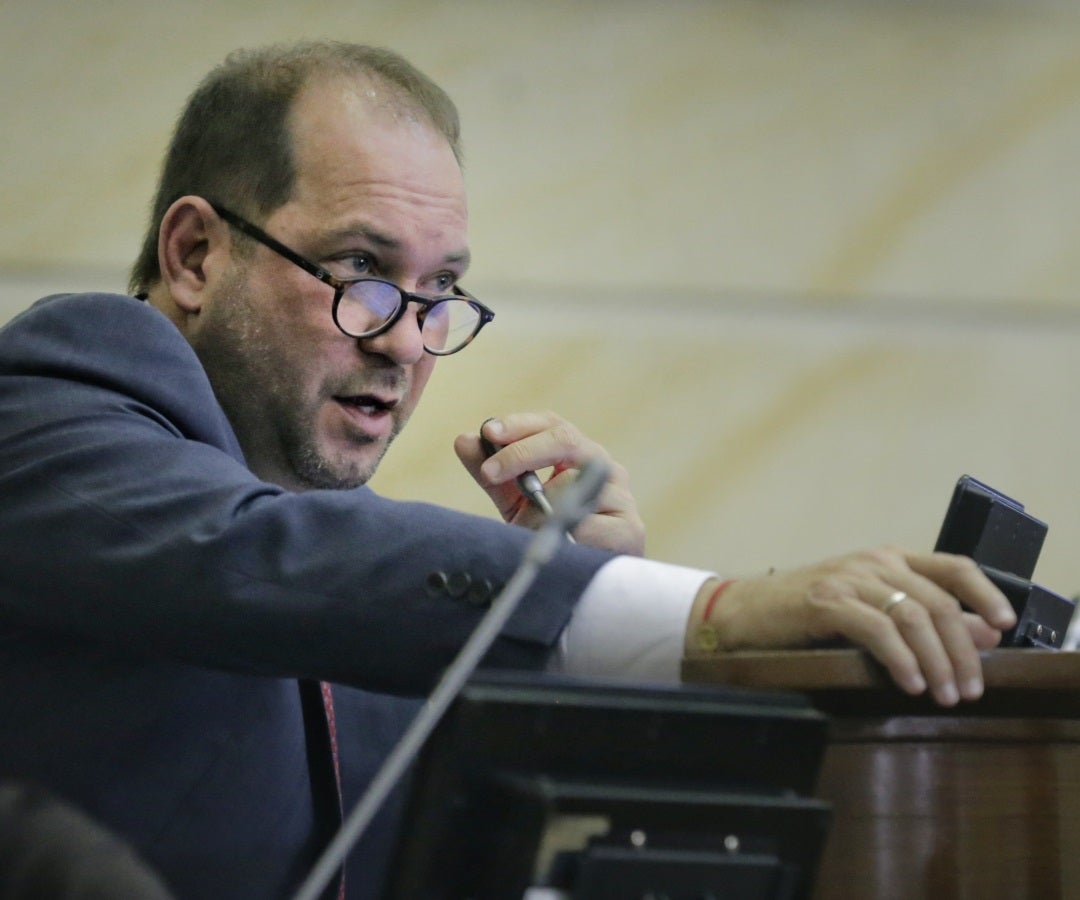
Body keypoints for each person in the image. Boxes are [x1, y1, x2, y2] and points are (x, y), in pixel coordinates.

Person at [0, 40, 1015, 900]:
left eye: (440, 288)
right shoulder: (55, 398)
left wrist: (574, 618)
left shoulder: (371, 602)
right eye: (361, 269)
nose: (405, 343)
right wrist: (709, 611)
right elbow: (257, 557)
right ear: (194, 255)